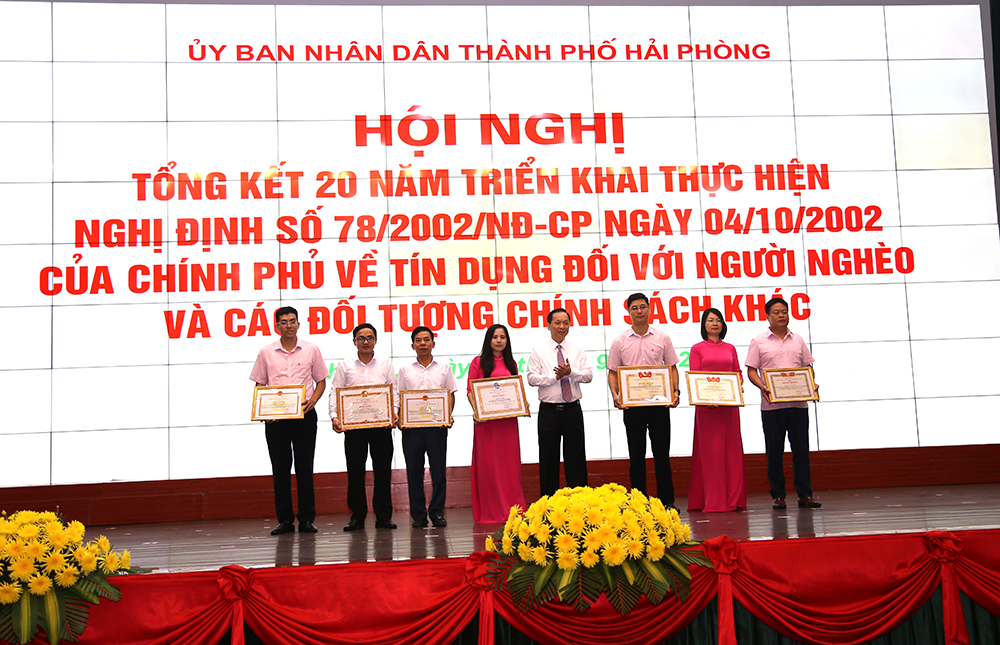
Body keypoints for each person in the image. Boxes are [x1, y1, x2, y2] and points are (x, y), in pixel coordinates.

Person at [249, 306, 327, 535]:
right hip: (276, 420)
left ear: (298, 324)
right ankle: (284, 520)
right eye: (283, 322)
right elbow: (260, 384)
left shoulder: (311, 349)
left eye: (292, 321)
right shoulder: (266, 352)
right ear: (277, 326)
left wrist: (313, 400)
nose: (289, 325)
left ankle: (306, 519)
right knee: (280, 469)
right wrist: (265, 412)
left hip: (304, 416)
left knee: (305, 468)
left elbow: (321, 381)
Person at [745, 297, 822, 510]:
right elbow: (751, 371)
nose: (781, 315)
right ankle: (778, 495)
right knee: (774, 452)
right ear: (767, 316)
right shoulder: (758, 341)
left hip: (798, 405)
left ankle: (805, 494)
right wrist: (763, 387)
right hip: (772, 406)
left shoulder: (798, 340)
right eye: (776, 312)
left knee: (801, 451)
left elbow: (807, 367)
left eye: (784, 312)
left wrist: (811, 384)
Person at [607, 293, 680, 507]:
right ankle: (639, 503)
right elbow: (613, 372)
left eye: (643, 307)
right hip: (633, 407)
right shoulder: (619, 341)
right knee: (636, 456)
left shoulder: (662, 337)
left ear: (649, 309)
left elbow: (672, 367)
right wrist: (615, 395)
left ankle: (667, 502)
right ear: (628, 312)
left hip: (659, 404)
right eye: (635, 308)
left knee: (662, 455)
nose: (639, 311)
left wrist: (675, 391)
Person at [329, 323, 399, 530]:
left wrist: (394, 412)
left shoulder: (385, 364)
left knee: (383, 471)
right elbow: (335, 391)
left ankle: (383, 516)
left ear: (375, 341)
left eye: (369, 338)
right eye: (361, 338)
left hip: (381, 426)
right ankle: (357, 516)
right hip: (354, 427)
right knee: (355, 471)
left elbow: (394, 391)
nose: (365, 341)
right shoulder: (345, 366)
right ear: (354, 342)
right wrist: (334, 416)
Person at [527, 308, 592, 497]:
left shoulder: (577, 348)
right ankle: (549, 504)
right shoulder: (538, 350)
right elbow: (532, 378)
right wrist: (554, 377)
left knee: (576, 459)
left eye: (565, 322)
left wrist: (571, 373)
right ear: (548, 325)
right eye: (557, 322)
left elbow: (588, 376)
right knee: (548, 459)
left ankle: (580, 503)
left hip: (573, 410)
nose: (562, 326)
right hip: (549, 412)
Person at [687, 308, 747, 513]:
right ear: (704, 325)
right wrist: (707, 398)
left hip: (728, 407)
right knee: (711, 452)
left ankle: (733, 498)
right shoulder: (697, 349)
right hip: (707, 409)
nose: (715, 323)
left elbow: (737, 372)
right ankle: (713, 499)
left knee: (731, 451)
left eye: (718, 320)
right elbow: (695, 375)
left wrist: (738, 385)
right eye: (710, 320)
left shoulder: (730, 348)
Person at [397, 326, 457, 528]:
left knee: (438, 472)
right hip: (411, 430)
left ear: (433, 343)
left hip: (437, 428)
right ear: (412, 345)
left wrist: (447, 415)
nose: (422, 343)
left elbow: (450, 395)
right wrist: (401, 419)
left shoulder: (444, 368)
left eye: (426, 340)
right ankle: (418, 515)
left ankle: (437, 512)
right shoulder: (405, 370)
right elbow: (399, 398)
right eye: (418, 340)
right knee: (414, 472)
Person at [467, 324, 526, 523]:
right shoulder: (478, 362)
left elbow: (516, 390)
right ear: (488, 340)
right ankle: (491, 510)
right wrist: (478, 411)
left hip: (508, 424)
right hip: (487, 424)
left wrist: (522, 404)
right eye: (495, 337)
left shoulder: (512, 363)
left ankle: (513, 509)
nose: (499, 340)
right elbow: (470, 391)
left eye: (503, 337)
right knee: (489, 467)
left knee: (509, 467)